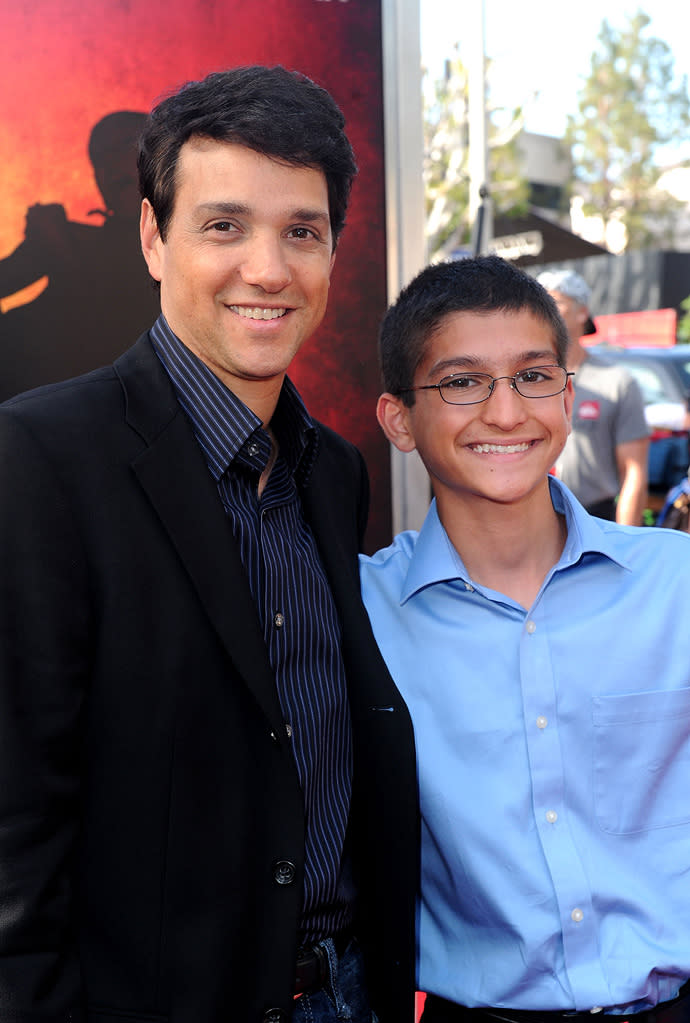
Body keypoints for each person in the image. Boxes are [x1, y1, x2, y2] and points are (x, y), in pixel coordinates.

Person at [0, 66, 418, 1023]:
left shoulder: (334, 470)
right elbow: (15, 833)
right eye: (223, 225)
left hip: (348, 990)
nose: (267, 269)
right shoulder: (42, 459)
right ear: (154, 237)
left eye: (300, 232)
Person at [360, 254, 690, 1023]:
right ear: (399, 419)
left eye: (534, 377)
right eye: (463, 381)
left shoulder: (675, 583)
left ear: (569, 397)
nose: (506, 412)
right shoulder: (361, 610)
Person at [536, 268, 649, 524]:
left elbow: (634, 471)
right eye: (539, 304)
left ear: (582, 313)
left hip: (595, 517)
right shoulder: (523, 380)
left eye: (555, 302)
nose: (545, 312)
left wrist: (624, 546)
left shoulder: (616, 382)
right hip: (530, 518)